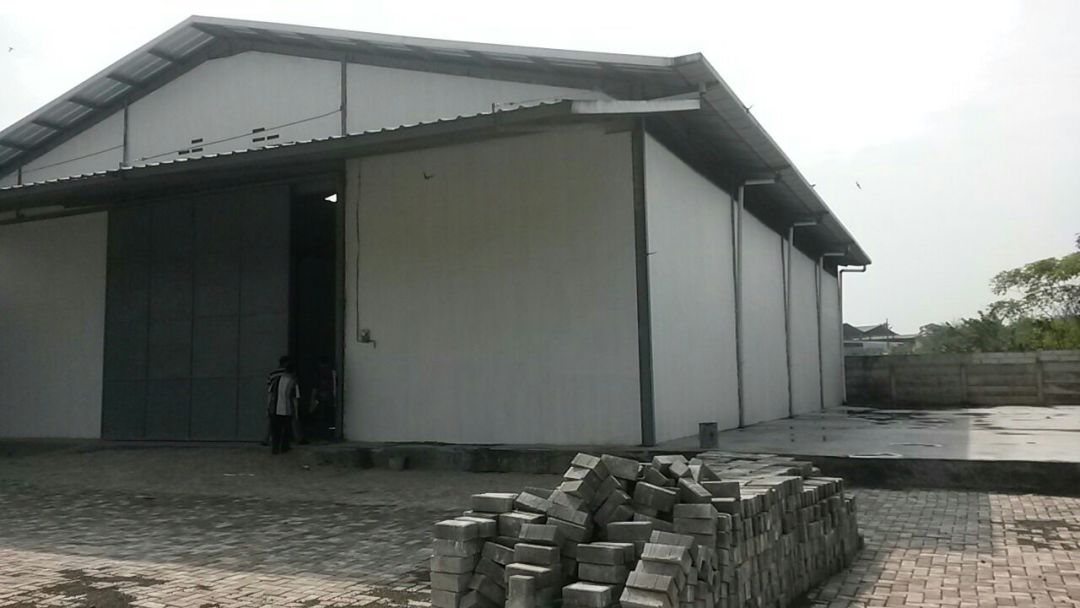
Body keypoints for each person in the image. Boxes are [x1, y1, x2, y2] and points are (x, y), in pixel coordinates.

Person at [266, 356, 300, 454]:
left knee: (275, 430)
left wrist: (268, 407)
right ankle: (284, 447)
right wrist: (296, 412)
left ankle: (275, 448)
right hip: (287, 410)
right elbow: (295, 399)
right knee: (286, 430)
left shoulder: (275, 380)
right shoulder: (293, 382)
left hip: (275, 409)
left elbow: (270, 394)